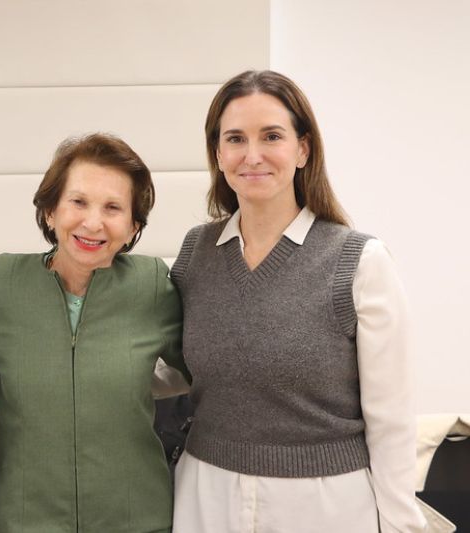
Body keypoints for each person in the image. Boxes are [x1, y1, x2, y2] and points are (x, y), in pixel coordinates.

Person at [170, 70, 426, 532]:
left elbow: (391, 422)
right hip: (205, 499)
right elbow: (175, 365)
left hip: (326, 508)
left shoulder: (360, 261)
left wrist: (400, 525)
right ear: (218, 154)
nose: (252, 155)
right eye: (235, 139)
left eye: (272, 136)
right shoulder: (195, 252)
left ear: (302, 149)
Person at [0, 133, 188, 533]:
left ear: (133, 226)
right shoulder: (2, 283)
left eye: (113, 207)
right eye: (78, 202)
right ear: (50, 211)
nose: (93, 222)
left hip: (136, 521)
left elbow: (204, 368)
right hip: (23, 523)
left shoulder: (151, 284)